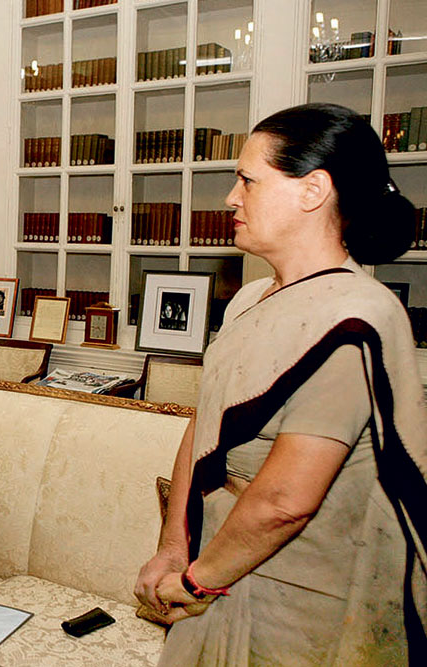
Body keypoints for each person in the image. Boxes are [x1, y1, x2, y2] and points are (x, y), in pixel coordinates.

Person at [134, 103, 427, 665]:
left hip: (303, 604)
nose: (231, 197)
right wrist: (174, 549)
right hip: (213, 571)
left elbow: (285, 503)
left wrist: (195, 585)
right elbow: (204, 428)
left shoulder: (357, 319)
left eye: (248, 180)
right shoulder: (248, 300)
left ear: (312, 190)